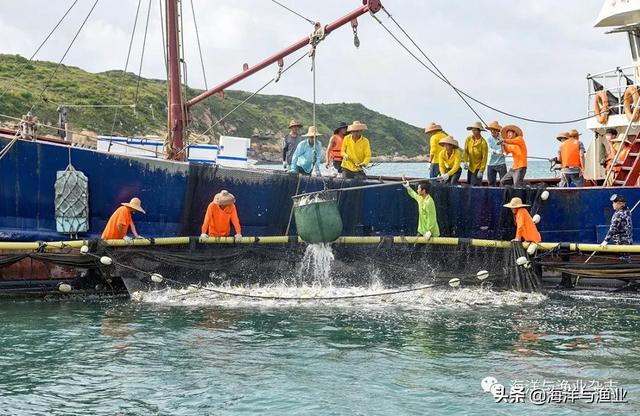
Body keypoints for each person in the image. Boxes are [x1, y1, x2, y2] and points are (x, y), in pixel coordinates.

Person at [601, 194, 633, 263]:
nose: (613, 204)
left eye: (614, 203)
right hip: (628, 240)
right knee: (626, 258)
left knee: (624, 259)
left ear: (620, 204)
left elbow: (613, 229)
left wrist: (605, 241)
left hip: (622, 241)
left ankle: (627, 271)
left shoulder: (619, 214)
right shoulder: (627, 210)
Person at [462, 121, 489, 186]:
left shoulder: (483, 143)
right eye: (472, 130)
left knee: (475, 186)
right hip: (470, 168)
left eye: (475, 130)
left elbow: (484, 158)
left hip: (478, 168)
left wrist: (481, 170)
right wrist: (465, 161)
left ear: (479, 131)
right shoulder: (468, 139)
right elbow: (465, 151)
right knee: (469, 185)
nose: (473, 131)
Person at [485, 121, 507, 186]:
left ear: (498, 130)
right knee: (491, 183)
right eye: (491, 129)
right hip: (491, 164)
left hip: (501, 163)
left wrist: (503, 145)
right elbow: (489, 149)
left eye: (494, 129)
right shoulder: (488, 139)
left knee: (504, 183)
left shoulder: (502, 138)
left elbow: (506, 148)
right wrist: (495, 151)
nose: (492, 131)